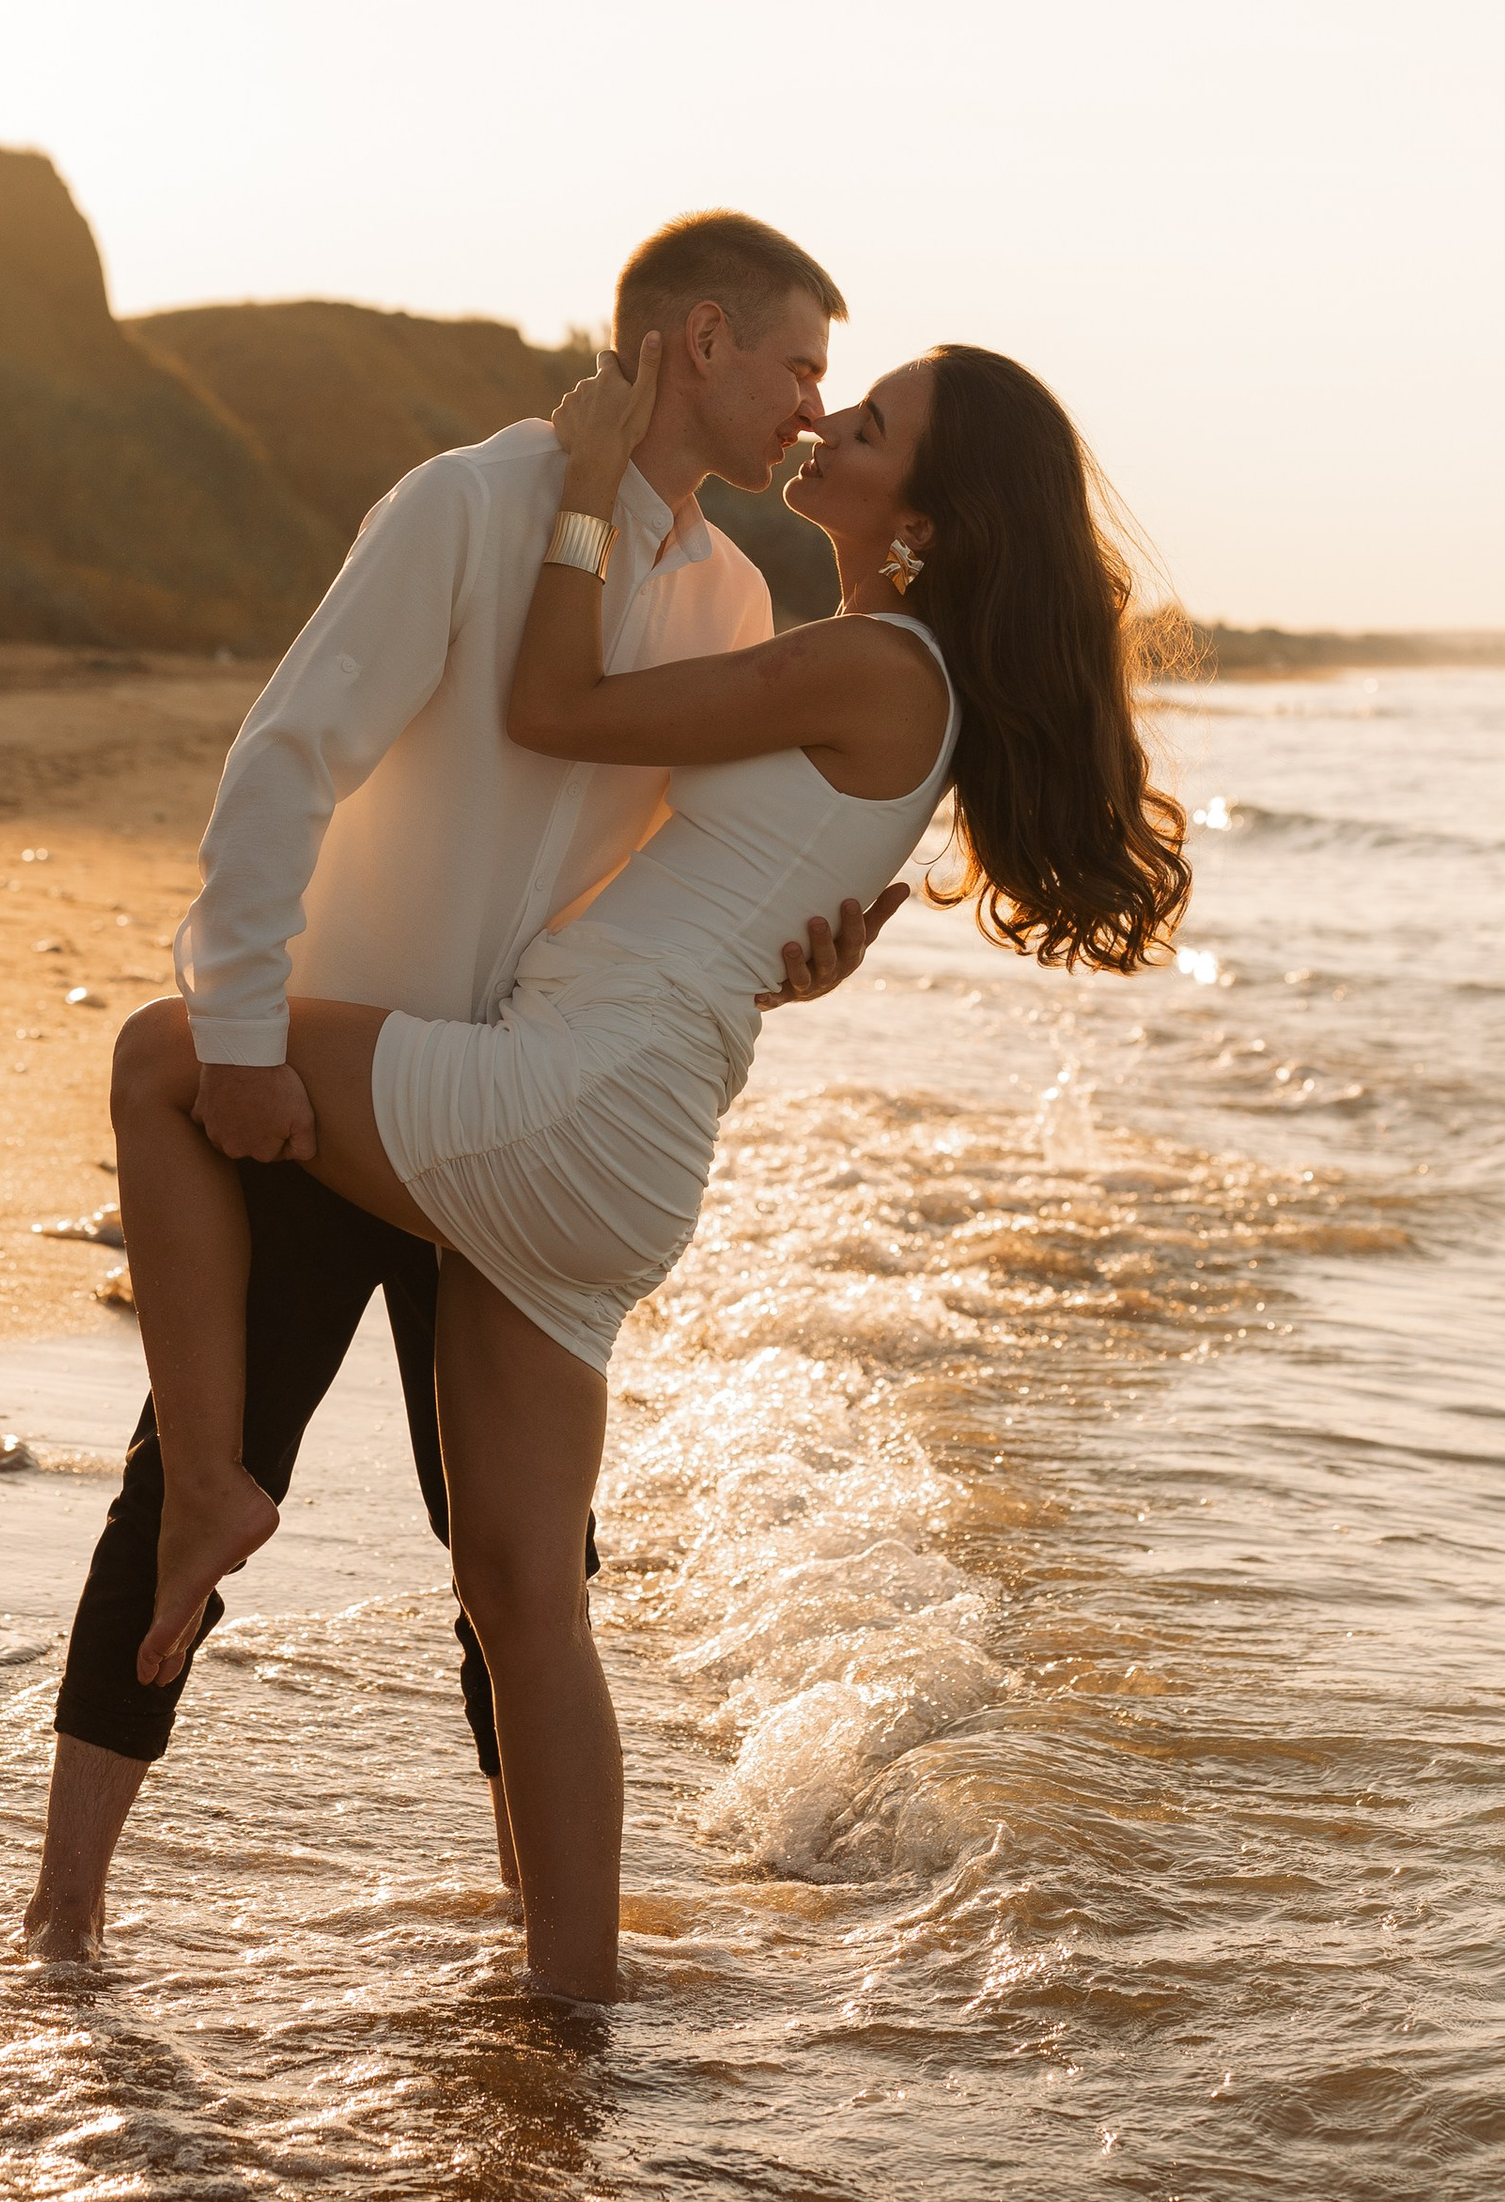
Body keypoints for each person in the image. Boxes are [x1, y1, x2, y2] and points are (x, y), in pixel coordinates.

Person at [109, 336, 1191, 1999]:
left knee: (173, 1055)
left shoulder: (883, 663)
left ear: (935, 512)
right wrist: (793, 954)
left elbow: (555, 710)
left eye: (875, 418)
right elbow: (731, 872)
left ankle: (207, 1482)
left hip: (570, 1097)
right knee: (523, 1597)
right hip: (627, 1138)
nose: (830, 420)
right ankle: (570, 2020)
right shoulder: (882, 665)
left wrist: (591, 493)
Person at [25, 212, 907, 1956]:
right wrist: (254, 1035)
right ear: (705, 341)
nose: (816, 407)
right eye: (803, 366)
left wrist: (800, 951)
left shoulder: (732, 598)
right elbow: (289, 755)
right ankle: (64, 1918)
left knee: (519, 1568)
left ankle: (544, 1941)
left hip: (512, 1108)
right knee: (192, 1482)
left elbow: (699, 883)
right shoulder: (472, 503)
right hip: (330, 1074)